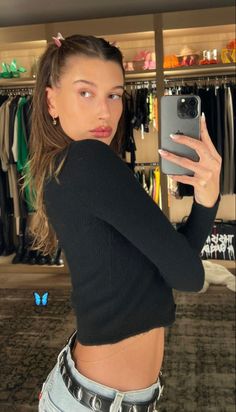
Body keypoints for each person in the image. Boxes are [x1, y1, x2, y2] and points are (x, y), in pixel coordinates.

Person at [22, 33, 221, 412]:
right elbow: (189, 275)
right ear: (51, 100)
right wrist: (206, 203)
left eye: (114, 95)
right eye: (86, 92)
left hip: (102, 395)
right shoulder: (88, 161)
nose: (104, 111)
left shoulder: (65, 165)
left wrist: (205, 200)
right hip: (100, 401)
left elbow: (174, 265)